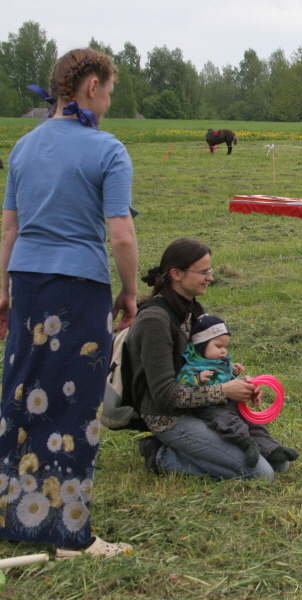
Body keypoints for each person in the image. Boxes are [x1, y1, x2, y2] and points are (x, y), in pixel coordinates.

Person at [0, 49, 138, 559]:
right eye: (109, 93)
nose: (108, 103)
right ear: (91, 87)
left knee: (21, 397)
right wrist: (128, 290)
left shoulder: (22, 147)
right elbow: (120, 235)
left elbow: (9, 228)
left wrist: (3, 291)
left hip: (27, 285)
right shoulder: (108, 150)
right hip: (78, 288)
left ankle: (13, 517)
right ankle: (71, 535)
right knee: (75, 407)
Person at [129, 238, 291, 480]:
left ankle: (198, 449)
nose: (211, 278)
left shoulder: (191, 309)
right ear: (177, 274)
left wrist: (238, 382)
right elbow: (164, 397)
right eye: (204, 272)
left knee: (280, 464)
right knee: (261, 474)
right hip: (168, 417)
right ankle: (160, 454)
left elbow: (204, 363)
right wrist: (225, 391)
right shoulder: (154, 321)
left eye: (210, 271)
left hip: (203, 409)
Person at [177, 314, 299, 468]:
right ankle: (247, 444)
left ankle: (272, 448)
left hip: (230, 402)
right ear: (201, 345)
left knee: (252, 422)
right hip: (211, 408)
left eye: (225, 346)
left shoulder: (221, 361)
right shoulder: (193, 366)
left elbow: (225, 378)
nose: (223, 351)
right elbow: (182, 381)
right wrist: (197, 379)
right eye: (218, 346)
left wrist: (234, 373)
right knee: (229, 423)